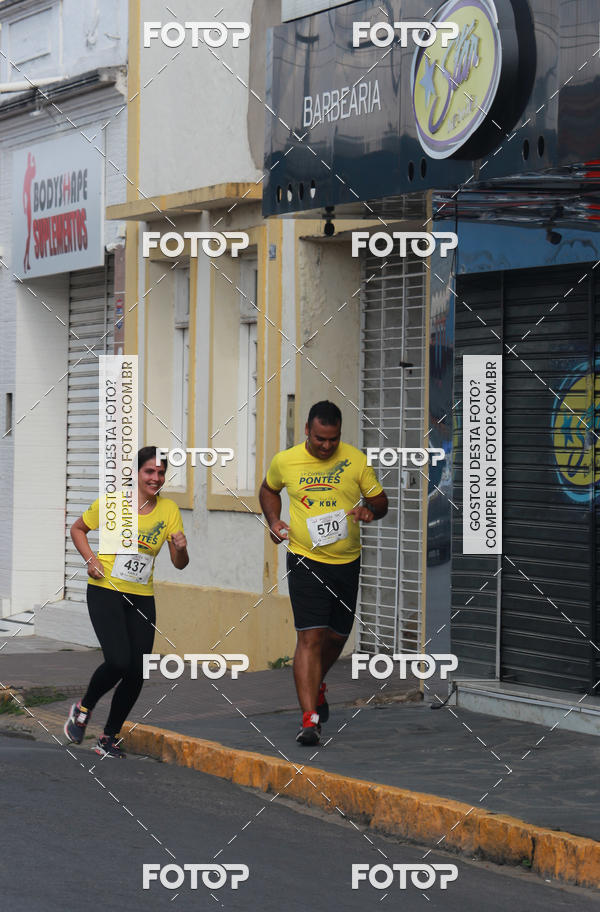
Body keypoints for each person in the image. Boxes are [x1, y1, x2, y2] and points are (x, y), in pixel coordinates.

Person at [259, 401, 388, 745]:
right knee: (310, 638)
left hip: (346, 562)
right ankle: (309, 720)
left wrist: (369, 509)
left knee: (336, 637)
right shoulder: (285, 461)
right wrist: (274, 521)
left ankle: (315, 686)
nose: (327, 446)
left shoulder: (356, 460)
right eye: (320, 439)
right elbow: (269, 489)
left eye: (333, 439)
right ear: (307, 430)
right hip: (305, 559)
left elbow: (381, 501)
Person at [64, 446, 189, 758]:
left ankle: (108, 737)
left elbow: (180, 564)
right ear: (136, 473)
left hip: (142, 596)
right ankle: (83, 708)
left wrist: (181, 547)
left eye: (161, 473)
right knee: (119, 661)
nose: (155, 478)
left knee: (138, 671)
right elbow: (78, 529)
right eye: (149, 471)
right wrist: (91, 560)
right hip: (105, 590)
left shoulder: (169, 510)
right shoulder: (113, 503)